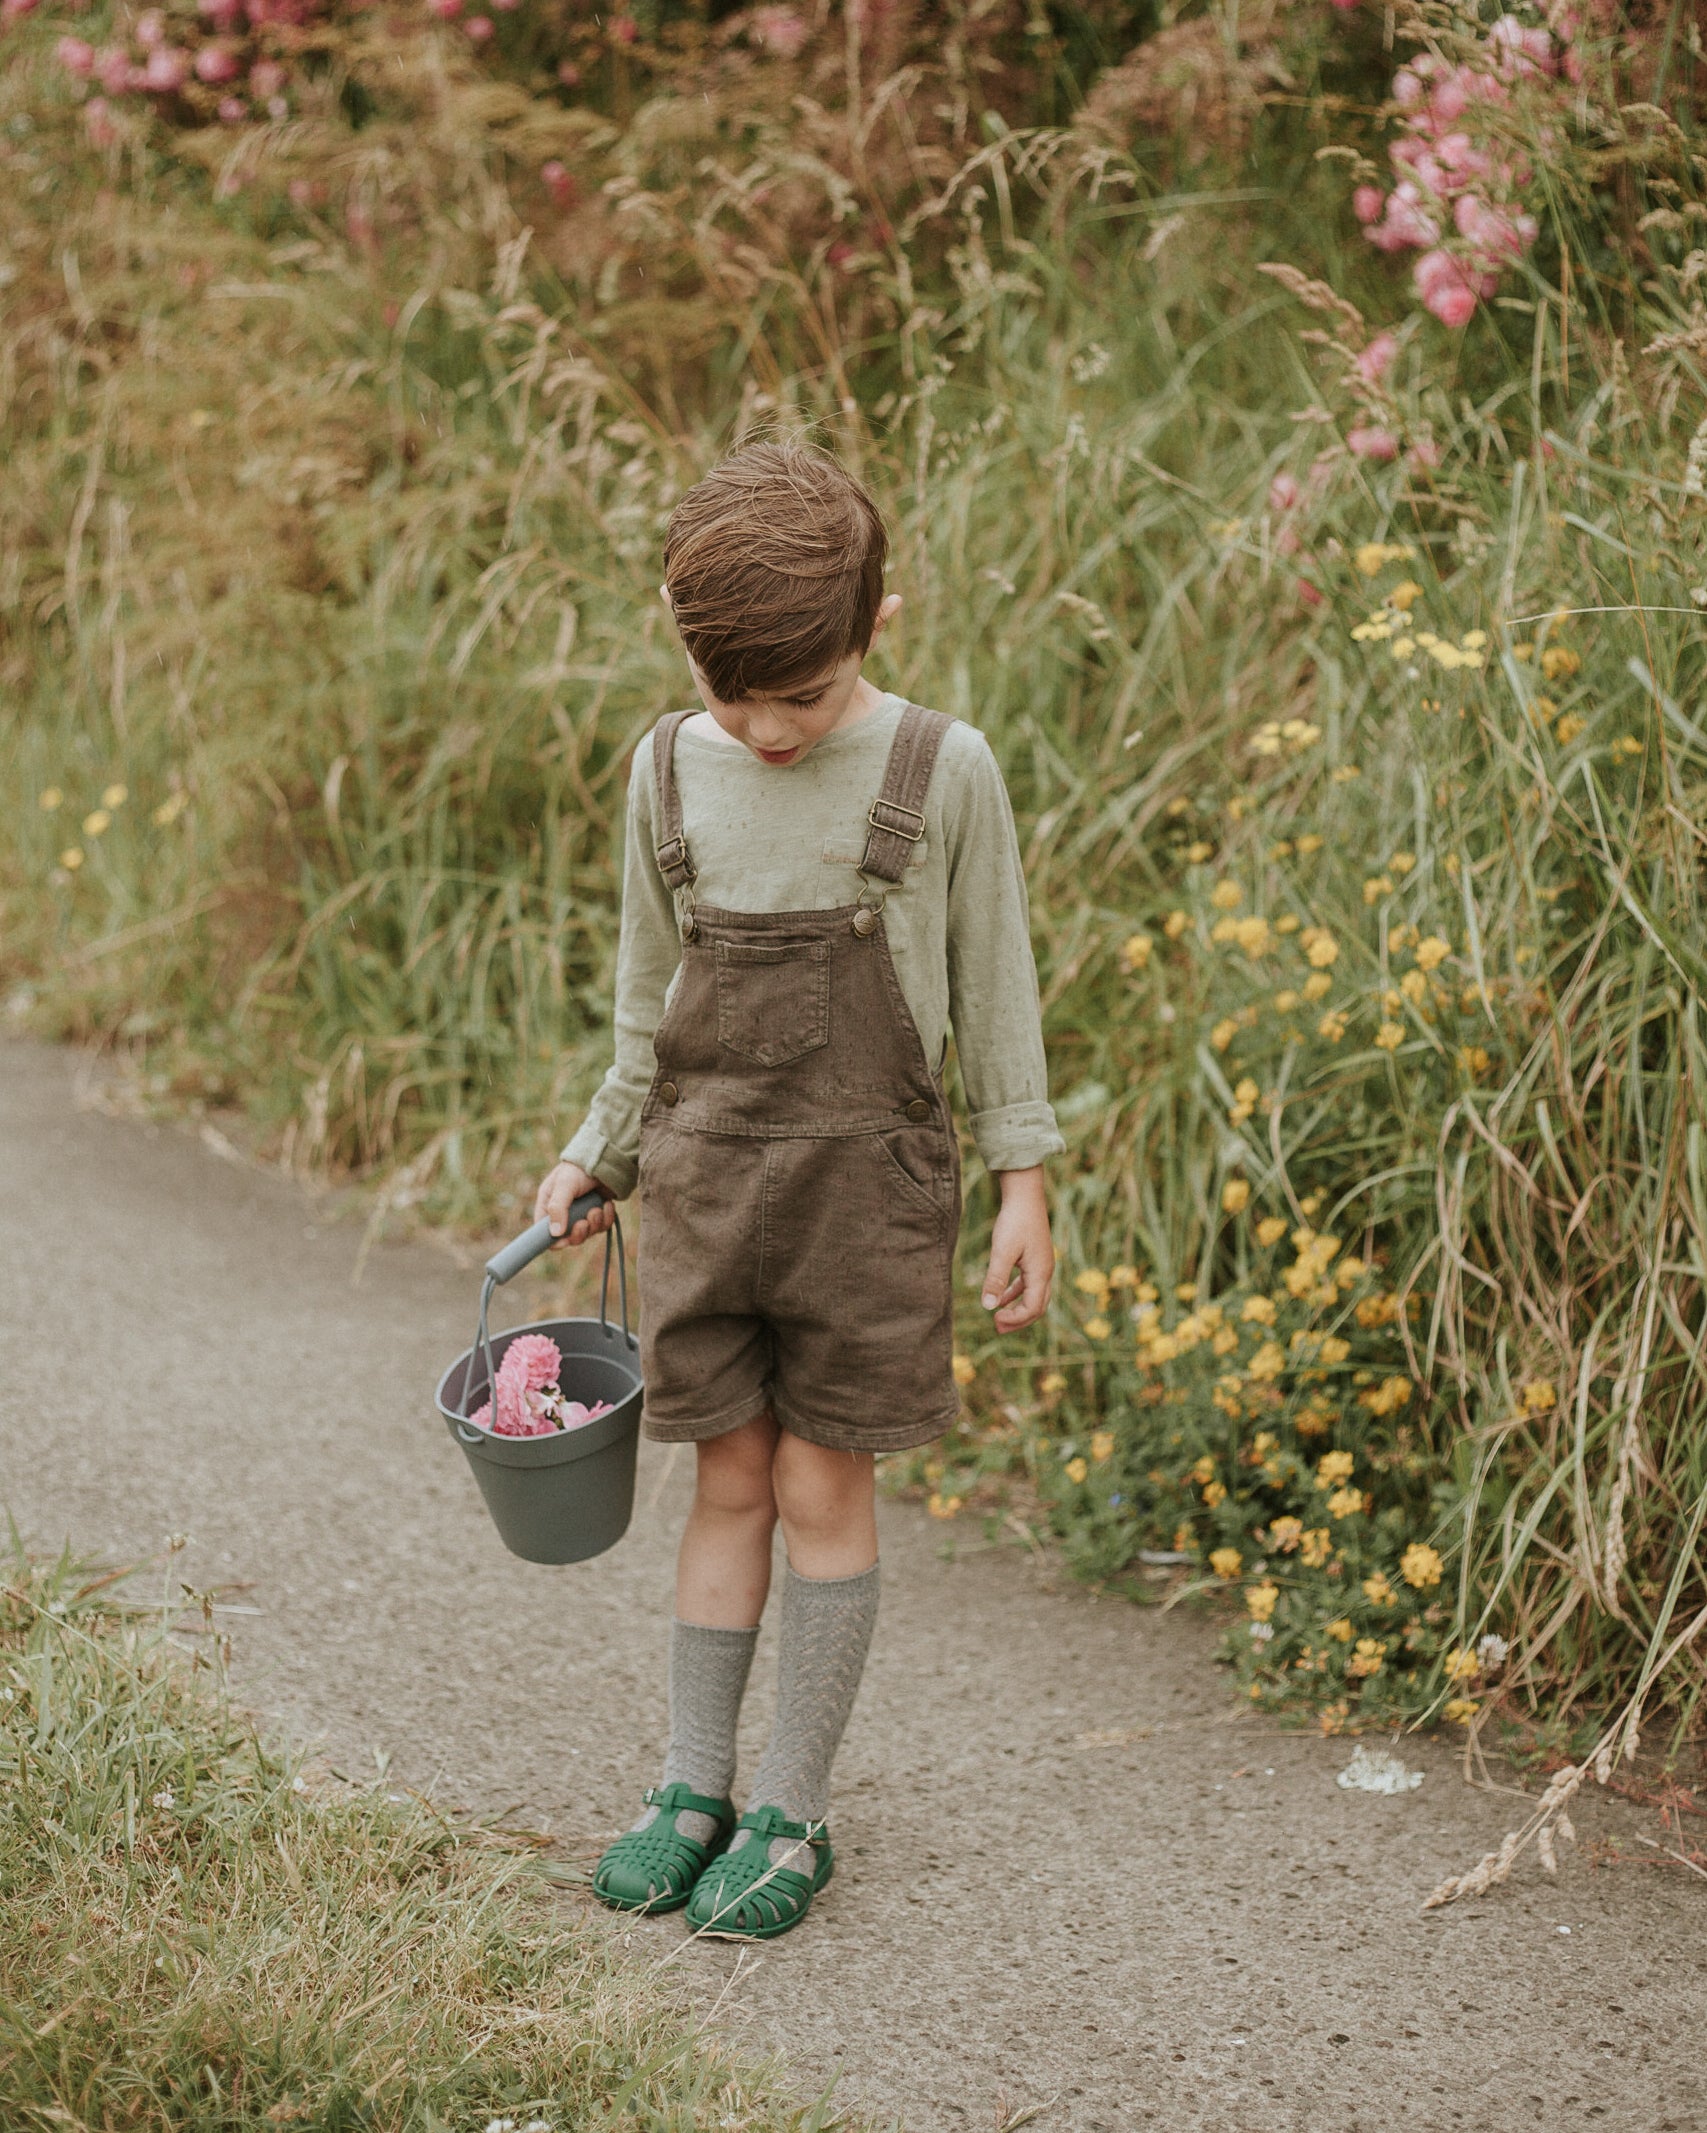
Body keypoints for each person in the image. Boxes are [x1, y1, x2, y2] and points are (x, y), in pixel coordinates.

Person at [533, 437, 1061, 1940]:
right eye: (729, 693)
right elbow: (649, 1010)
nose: (766, 728)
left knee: (826, 1484)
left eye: (804, 696)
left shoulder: (940, 769)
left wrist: (1024, 1175)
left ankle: (793, 1804)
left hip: (865, 1198)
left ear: (873, 631)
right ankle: (691, 1783)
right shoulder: (660, 770)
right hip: (701, 1184)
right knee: (729, 1480)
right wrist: (596, 1151)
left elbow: (995, 983)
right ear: (680, 640)